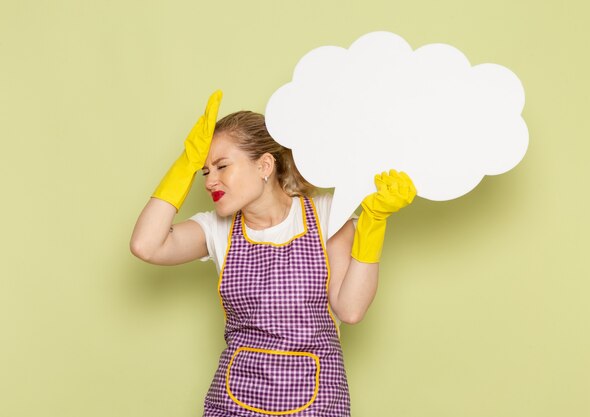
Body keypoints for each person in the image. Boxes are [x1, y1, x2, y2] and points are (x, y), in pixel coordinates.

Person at [130, 90, 416, 417]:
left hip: (317, 402)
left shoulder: (327, 216)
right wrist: (184, 165)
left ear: (265, 165)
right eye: (205, 171)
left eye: (222, 166)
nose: (210, 182)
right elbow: (146, 245)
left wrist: (374, 222)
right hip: (234, 403)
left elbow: (350, 310)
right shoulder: (216, 229)